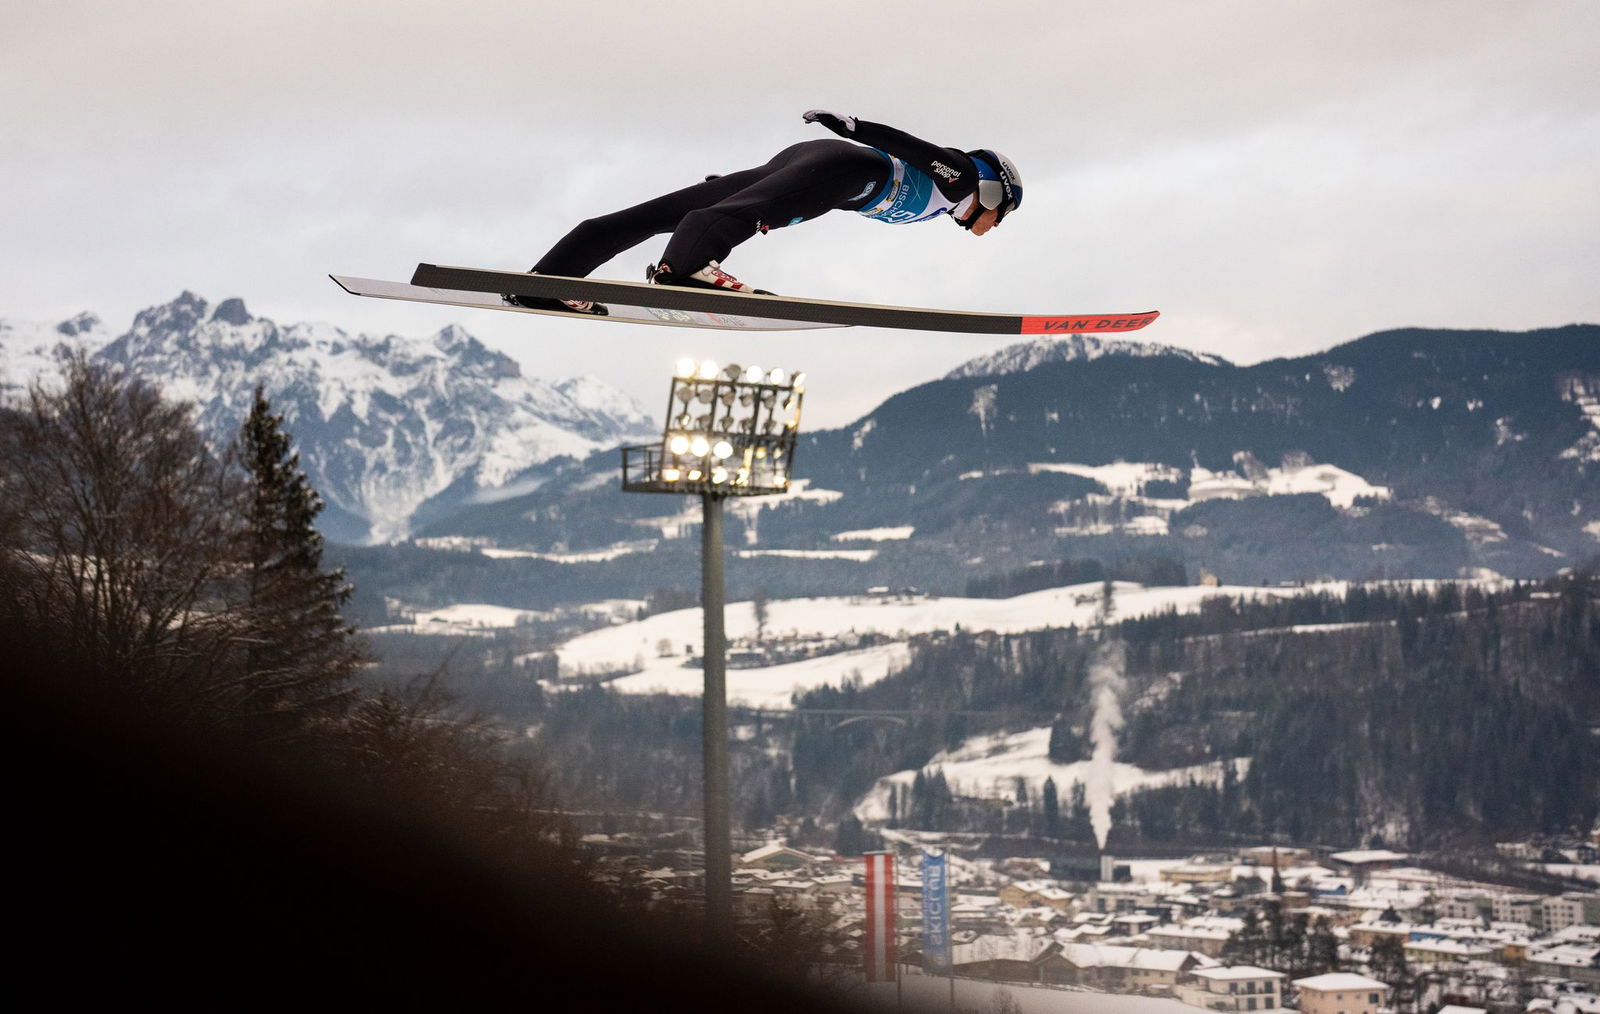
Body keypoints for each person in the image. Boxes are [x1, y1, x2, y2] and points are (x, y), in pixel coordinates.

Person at [508, 110, 1023, 315]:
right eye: (998, 217)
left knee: (656, 214)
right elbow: (905, 143)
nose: (989, 228)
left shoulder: (944, 205)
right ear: (992, 194)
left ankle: (550, 280)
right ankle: (685, 270)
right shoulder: (957, 176)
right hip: (842, 167)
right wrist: (850, 125)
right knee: (722, 217)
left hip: (819, 171)